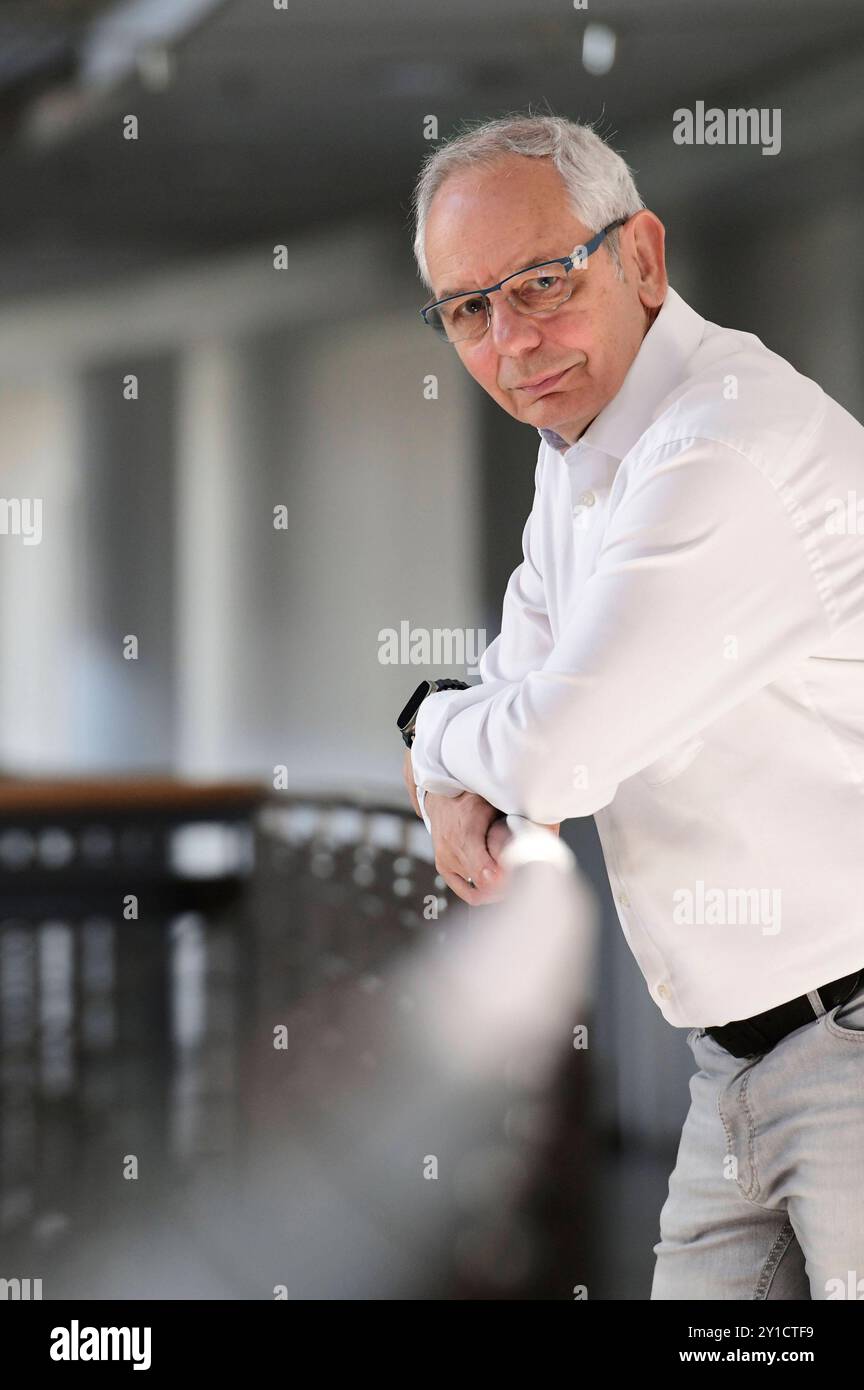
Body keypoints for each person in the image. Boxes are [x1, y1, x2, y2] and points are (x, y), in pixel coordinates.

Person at [399, 112, 864, 1300]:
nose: (512, 340)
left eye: (543, 282)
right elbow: (523, 688)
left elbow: (552, 754)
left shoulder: (722, 449)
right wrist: (467, 754)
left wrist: (425, 735)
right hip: (741, 1071)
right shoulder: (583, 456)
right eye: (468, 310)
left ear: (642, 257)